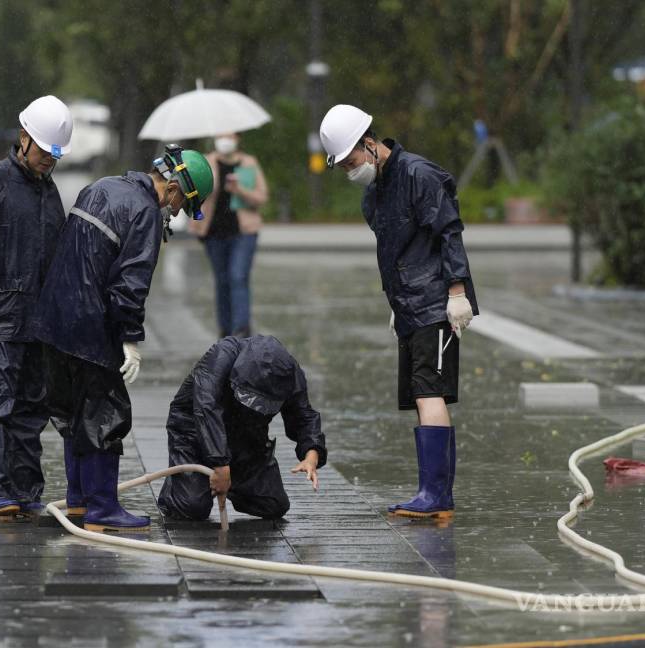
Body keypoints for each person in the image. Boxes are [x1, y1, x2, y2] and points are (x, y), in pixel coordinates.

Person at [31, 145, 214, 532]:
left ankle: (80, 500)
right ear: (175, 190)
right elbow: (130, 285)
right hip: (91, 326)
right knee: (105, 415)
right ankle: (102, 508)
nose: (175, 212)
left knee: (73, 413)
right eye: (181, 205)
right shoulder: (145, 213)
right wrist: (129, 339)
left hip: (52, 319)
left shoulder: (103, 186)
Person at [319, 104, 479, 519]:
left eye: (352, 161)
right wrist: (395, 303)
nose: (351, 171)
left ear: (370, 144)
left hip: (436, 302)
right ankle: (433, 493)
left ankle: (435, 495)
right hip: (408, 304)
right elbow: (393, 252)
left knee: (430, 391)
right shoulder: (376, 192)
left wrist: (457, 291)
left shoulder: (418, 175)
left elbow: (449, 232)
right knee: (420, 394)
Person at [0, 95, 74, 521]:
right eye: (43, 153)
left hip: (36, 324)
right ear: (24, 139)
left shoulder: (50, 192)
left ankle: (24, 492)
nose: (48, 162)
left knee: (31, 410)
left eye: (55, 156)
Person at [157, 335, 326, 521]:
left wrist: (311, 454)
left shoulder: (289, 375)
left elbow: (304, 415)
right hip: (194, 431)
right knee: (191, 507)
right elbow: (206, 408)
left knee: (273, 505)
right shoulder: (222, 355)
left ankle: (231, 483)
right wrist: (220, 463)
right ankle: (184, 486)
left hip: (246, 436)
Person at [191, 132, 269, 337]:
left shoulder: (249, 163)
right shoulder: (205, 162)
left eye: (230, 136)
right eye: (221, 136)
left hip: (243, 232)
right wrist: (210, 185)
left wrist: (239, 189)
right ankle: (225, 331)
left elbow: (261, 197)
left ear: (237, 139)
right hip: (213, 232)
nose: (225, 140)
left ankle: (242, 329)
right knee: (222, 281)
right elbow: (192, 194)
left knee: (238, 276)